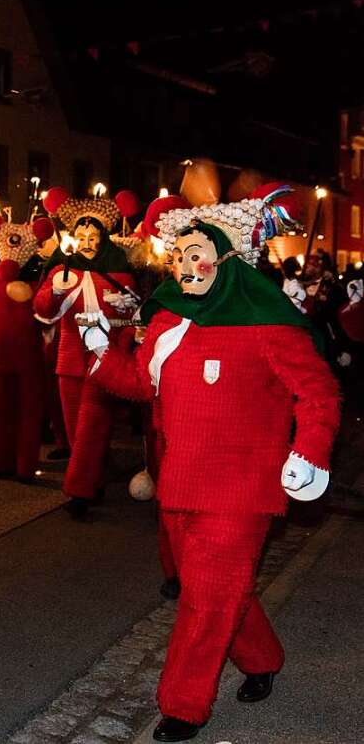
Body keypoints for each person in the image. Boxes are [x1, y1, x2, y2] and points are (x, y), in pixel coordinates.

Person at [81, 191, 339, 742]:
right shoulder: (171, 320)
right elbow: (142, 387)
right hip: (179, 484)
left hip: (242, 491)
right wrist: (102, 354)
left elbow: (319, 395)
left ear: (225, 260)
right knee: (220, 592)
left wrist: (310, 451)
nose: (186, 267)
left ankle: (182, 705)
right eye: (178, 257)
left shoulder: (268, 324)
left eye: (197, 255)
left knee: (204, 601)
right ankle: (263, 657)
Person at [33, 189, 138, 517]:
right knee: (78, 431)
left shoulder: (119, 274)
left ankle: (78, 493)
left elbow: (129, 320)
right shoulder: (61, 272)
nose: (88, 242)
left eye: (94, 236)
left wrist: (126, 312)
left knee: (93, 427)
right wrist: (54, 291)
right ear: (74, 240)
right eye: (82, 236)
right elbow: (41, 311)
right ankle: (93, 481)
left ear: (103, 238)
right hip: (70, 360)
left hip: (103, 361)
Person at [0, 213, 54, 480]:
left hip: (2, 358)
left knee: (0, 410)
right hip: (25, 358)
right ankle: (21, 466)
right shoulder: (35, 279)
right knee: (25, 412)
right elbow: (46, 317)